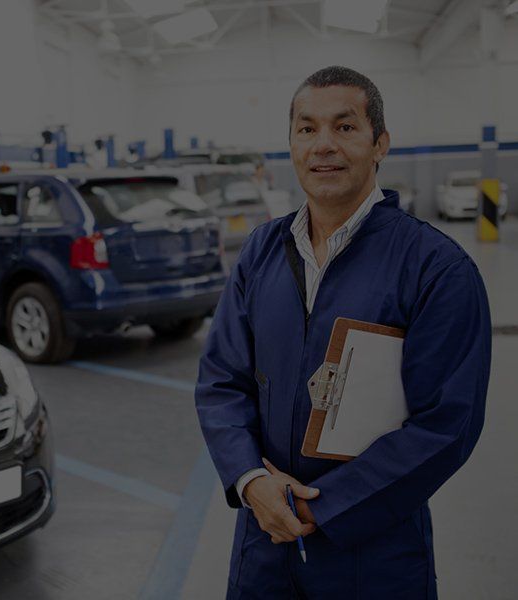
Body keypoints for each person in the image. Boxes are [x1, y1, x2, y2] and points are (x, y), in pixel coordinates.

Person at [194, 65, 491, 599]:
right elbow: (221, 380)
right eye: (306, 129)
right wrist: (249, 480)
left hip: (372, 553)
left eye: (345, 127)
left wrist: (318, 505)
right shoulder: (261, 253)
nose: (323, 145)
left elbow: (447, 425)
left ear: (380, 144)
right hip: (264, 544)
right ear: (291, 145)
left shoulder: (434, 268)